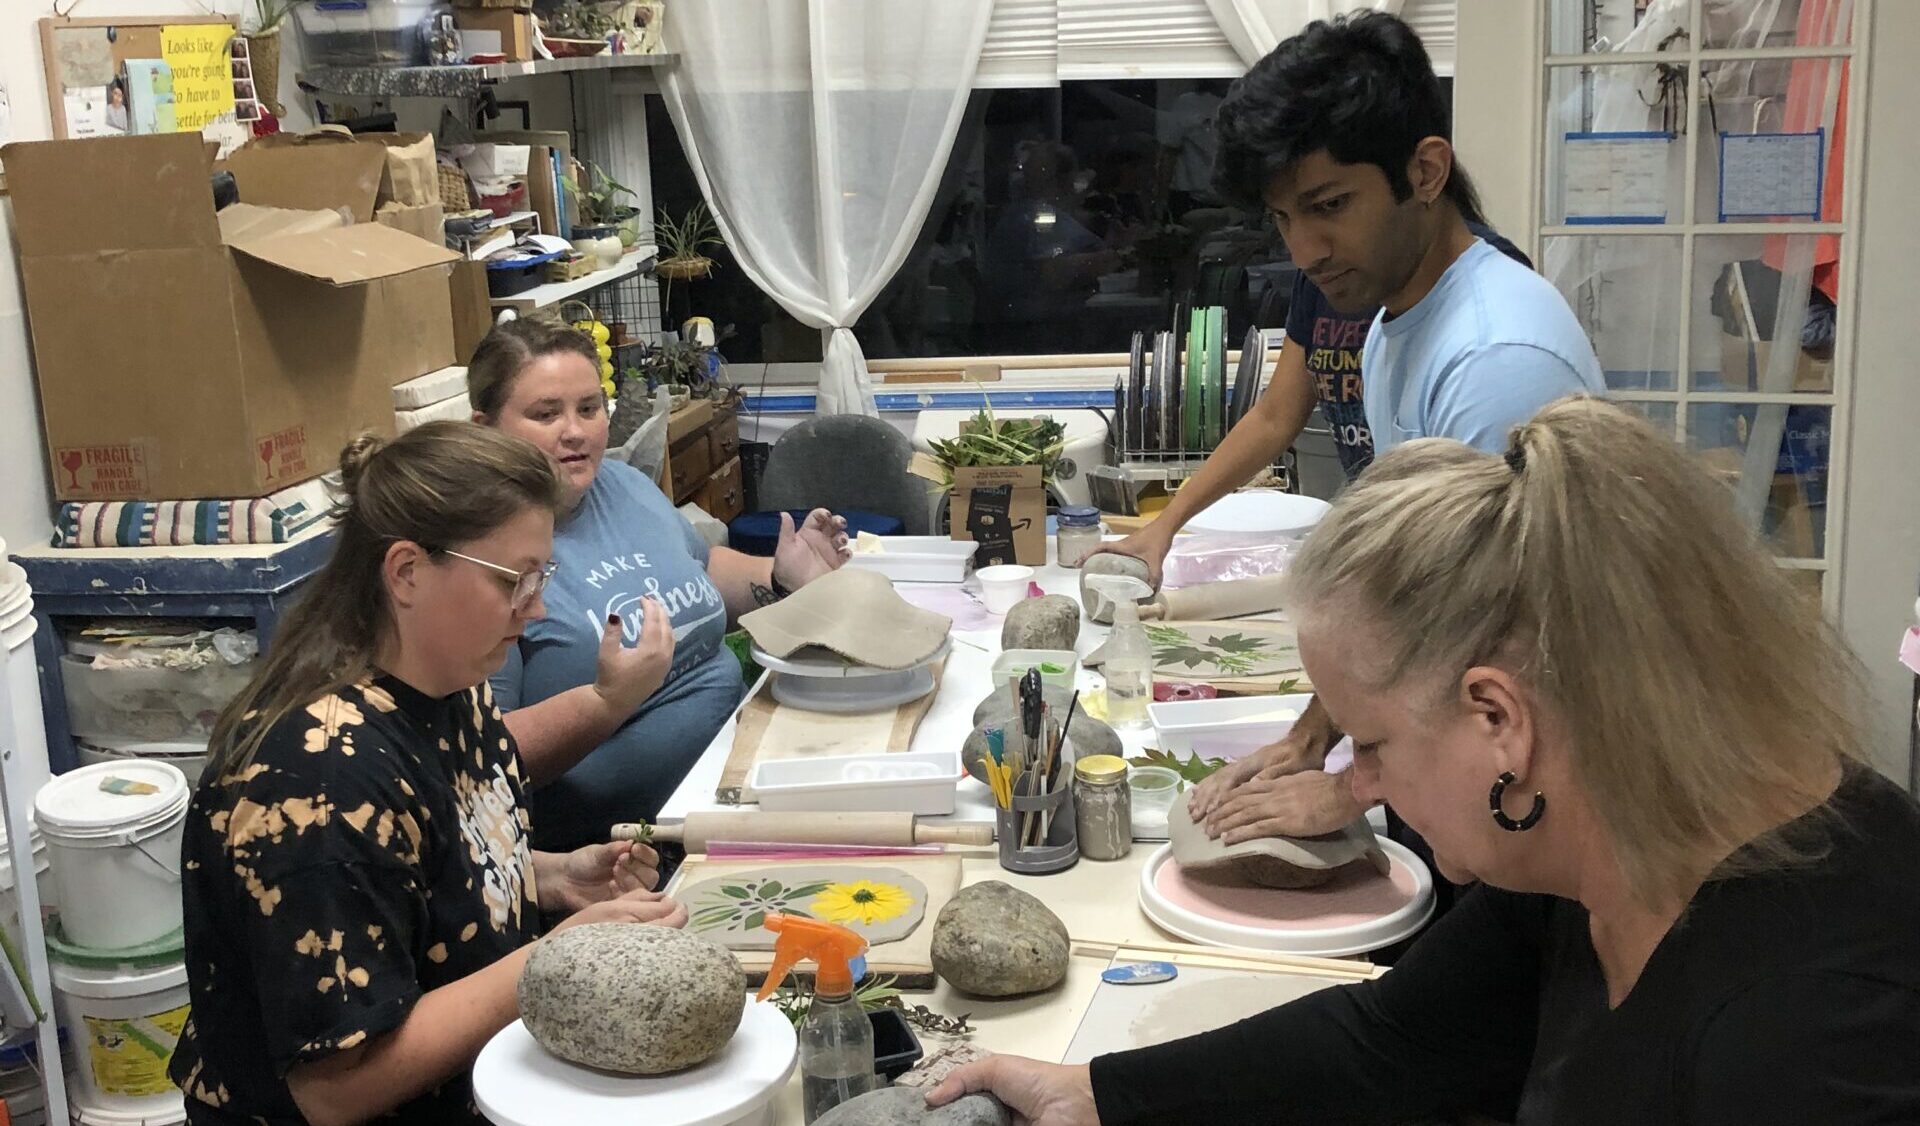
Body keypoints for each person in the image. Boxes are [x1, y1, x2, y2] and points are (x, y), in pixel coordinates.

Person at [929, 397, 1920, 1124]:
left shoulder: (1815, 1036)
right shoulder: (1599, 836)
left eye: (1371, 742)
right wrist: (1093, 1093)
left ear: (1499, 716)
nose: (1355, 783)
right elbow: (1393, 1042)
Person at [1098, 12, 1604, 879]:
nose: (1305, 250)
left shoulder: (1494, 359)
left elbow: (1488, 636)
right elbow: (1409, 591)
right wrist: (1311, 738)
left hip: (1542, 790)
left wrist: (1353, 783)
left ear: (1425, 170)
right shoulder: (1391, 314)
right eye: (1284, 217)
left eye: (1330, 207)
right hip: (1458, 754)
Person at [171, 422, 688, 1125]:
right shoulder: (317, 782)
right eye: (516, 580)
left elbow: (417, 863)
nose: (534, 607)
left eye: (544, 575)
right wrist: (551, 960)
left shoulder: (450, 682)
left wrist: (551, 876)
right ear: (408, 571)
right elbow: (335, 1089)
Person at [468, 319, 851, 851]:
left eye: (589, 407)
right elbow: (482, 757)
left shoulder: (620, 484)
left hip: (739, 776)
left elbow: (700, 568)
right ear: (484, 428)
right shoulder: (476, 556)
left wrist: (781, 576)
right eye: (545, 414)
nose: (575, 431)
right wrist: (606, 702)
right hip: (628, 848)